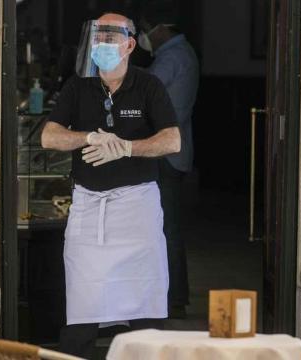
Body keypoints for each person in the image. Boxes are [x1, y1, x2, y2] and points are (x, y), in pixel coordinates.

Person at [41, 13, 180, 358]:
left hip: (137, 209)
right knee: (83, 297)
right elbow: (49, 136)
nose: (102, 44)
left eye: (110, 37)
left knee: (144, 298)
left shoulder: (148, 86)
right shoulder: (78, 86)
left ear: (130, 44)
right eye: (98, 37)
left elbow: (172, 140)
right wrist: (88, 136)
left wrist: (128, 147)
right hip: (89, 208)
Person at [138, 6, 200, 318]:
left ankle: (173, 298)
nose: (143, 36)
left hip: (165, 154)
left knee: (166, 229)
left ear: (160, 27)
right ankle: (171, 296)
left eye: (145, 28)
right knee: (166, 227)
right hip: (172, 152)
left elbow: (142, 97)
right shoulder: (181, 54)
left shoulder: (171, 59)